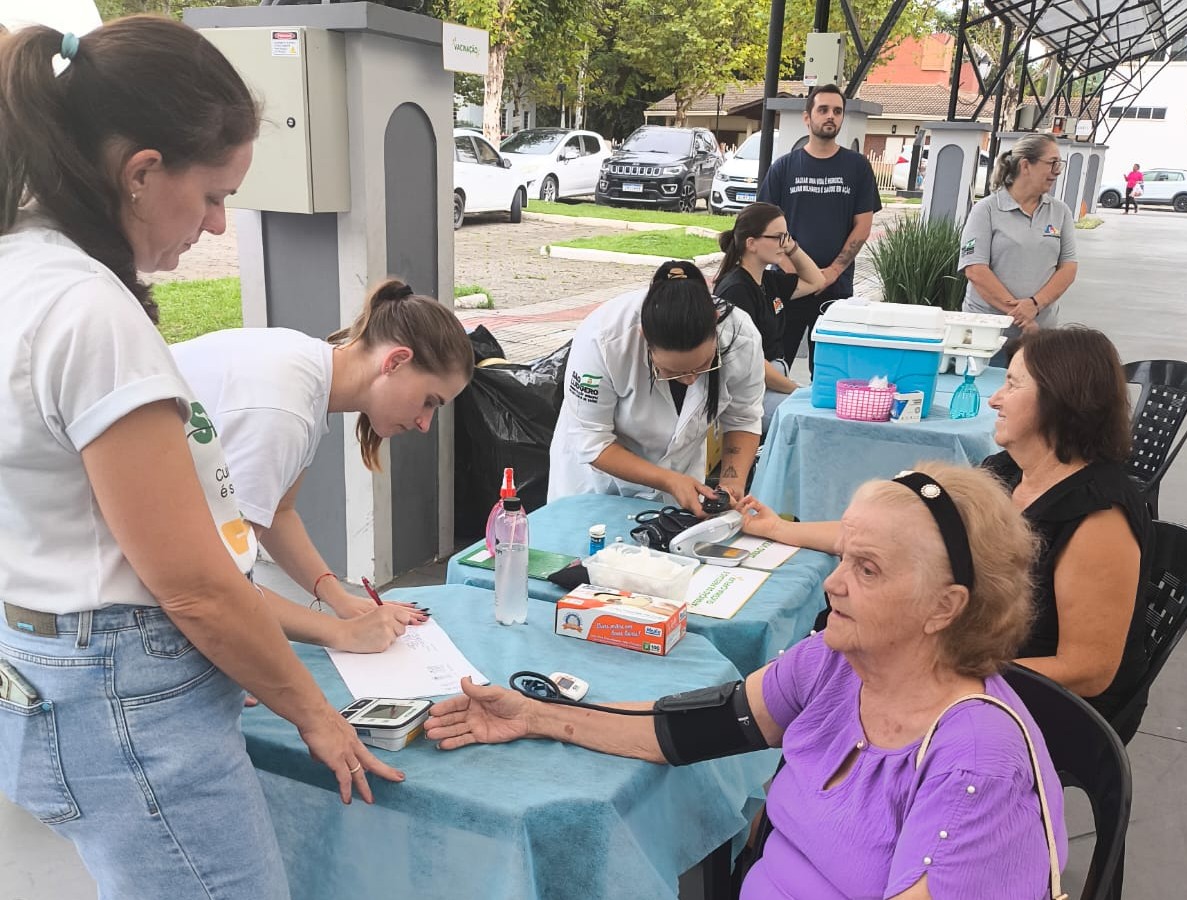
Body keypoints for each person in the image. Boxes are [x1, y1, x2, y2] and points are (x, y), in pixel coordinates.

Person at [0, 18, 401, 899]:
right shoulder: (89, 311)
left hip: (57, 675)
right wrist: (316, 712)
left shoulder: (21, 269)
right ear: (142, 172)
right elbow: (192, 584)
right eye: (215, 194)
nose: (220, 227)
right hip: (123, 691)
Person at [426, 463, 1067, 899]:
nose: (832, 583)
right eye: (842, 556)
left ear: (944, 608)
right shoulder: (837, 664)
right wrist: (532, 715)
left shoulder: (976, 764)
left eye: (867, 570)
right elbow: (688, 726)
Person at [739, 328, 1150, 742]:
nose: (994, 399)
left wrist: (935, 674)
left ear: (1061, 398)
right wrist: (778, 529)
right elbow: (896, 540)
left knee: (847, 685)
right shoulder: (1005, 471)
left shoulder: (1099, 516)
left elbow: (1090, 671)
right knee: (837, 653)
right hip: (974, 660)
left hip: (1047, 704)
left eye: (1012, 383)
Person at [172, 279, 473, 619]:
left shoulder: (308, 375)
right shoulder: (284, 409)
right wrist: (343, 632)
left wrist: (343, 602)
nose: (425, 423)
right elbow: (219, 583)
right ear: (396, 362)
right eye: (429, 402)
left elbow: (278, 513)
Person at [547, 260, 765, 516]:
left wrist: (731, 483)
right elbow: (592, 439)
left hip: (679, 482)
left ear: (715, 323)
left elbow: (743, 418)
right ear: (644, 336)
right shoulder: (603, 338)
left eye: (703, 366)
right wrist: (669, 480)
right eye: (673, 372)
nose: (690, 380)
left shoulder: (741, 337)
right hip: (597, 486)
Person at [757, 84, 882, 374]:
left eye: (837, 111)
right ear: (807, 117)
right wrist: (793, 270)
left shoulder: (857, 167)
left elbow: (862, 227)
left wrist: (831, 273)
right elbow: (766, 225)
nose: (831, 116)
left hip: (835, 287)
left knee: (828, 372)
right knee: (778, 365)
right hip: (789, 285)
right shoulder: (784, 168)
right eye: (823, 109)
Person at [958, 133, 1077, 353]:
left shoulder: (1060, 212)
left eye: (1058, 164)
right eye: (1052, 163)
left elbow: (1068, 268)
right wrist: (1022, 315)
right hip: (987, 335)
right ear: (1026, 165)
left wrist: (1035, 304)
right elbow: (975, 269)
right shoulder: (986, 210)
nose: (1056, 172)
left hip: (1040, 337)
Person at [713, 202, 825, 430]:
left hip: (772, 382)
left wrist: (793, 249)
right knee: (812, 419)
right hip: (749, 392)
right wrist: (796, 390)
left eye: (787, 236)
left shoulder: (768, 281)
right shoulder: (736, 290)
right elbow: (751, 363)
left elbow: (817, 281)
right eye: (778, 237)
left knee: (820, 408)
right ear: (751, 243)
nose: (783, 244)